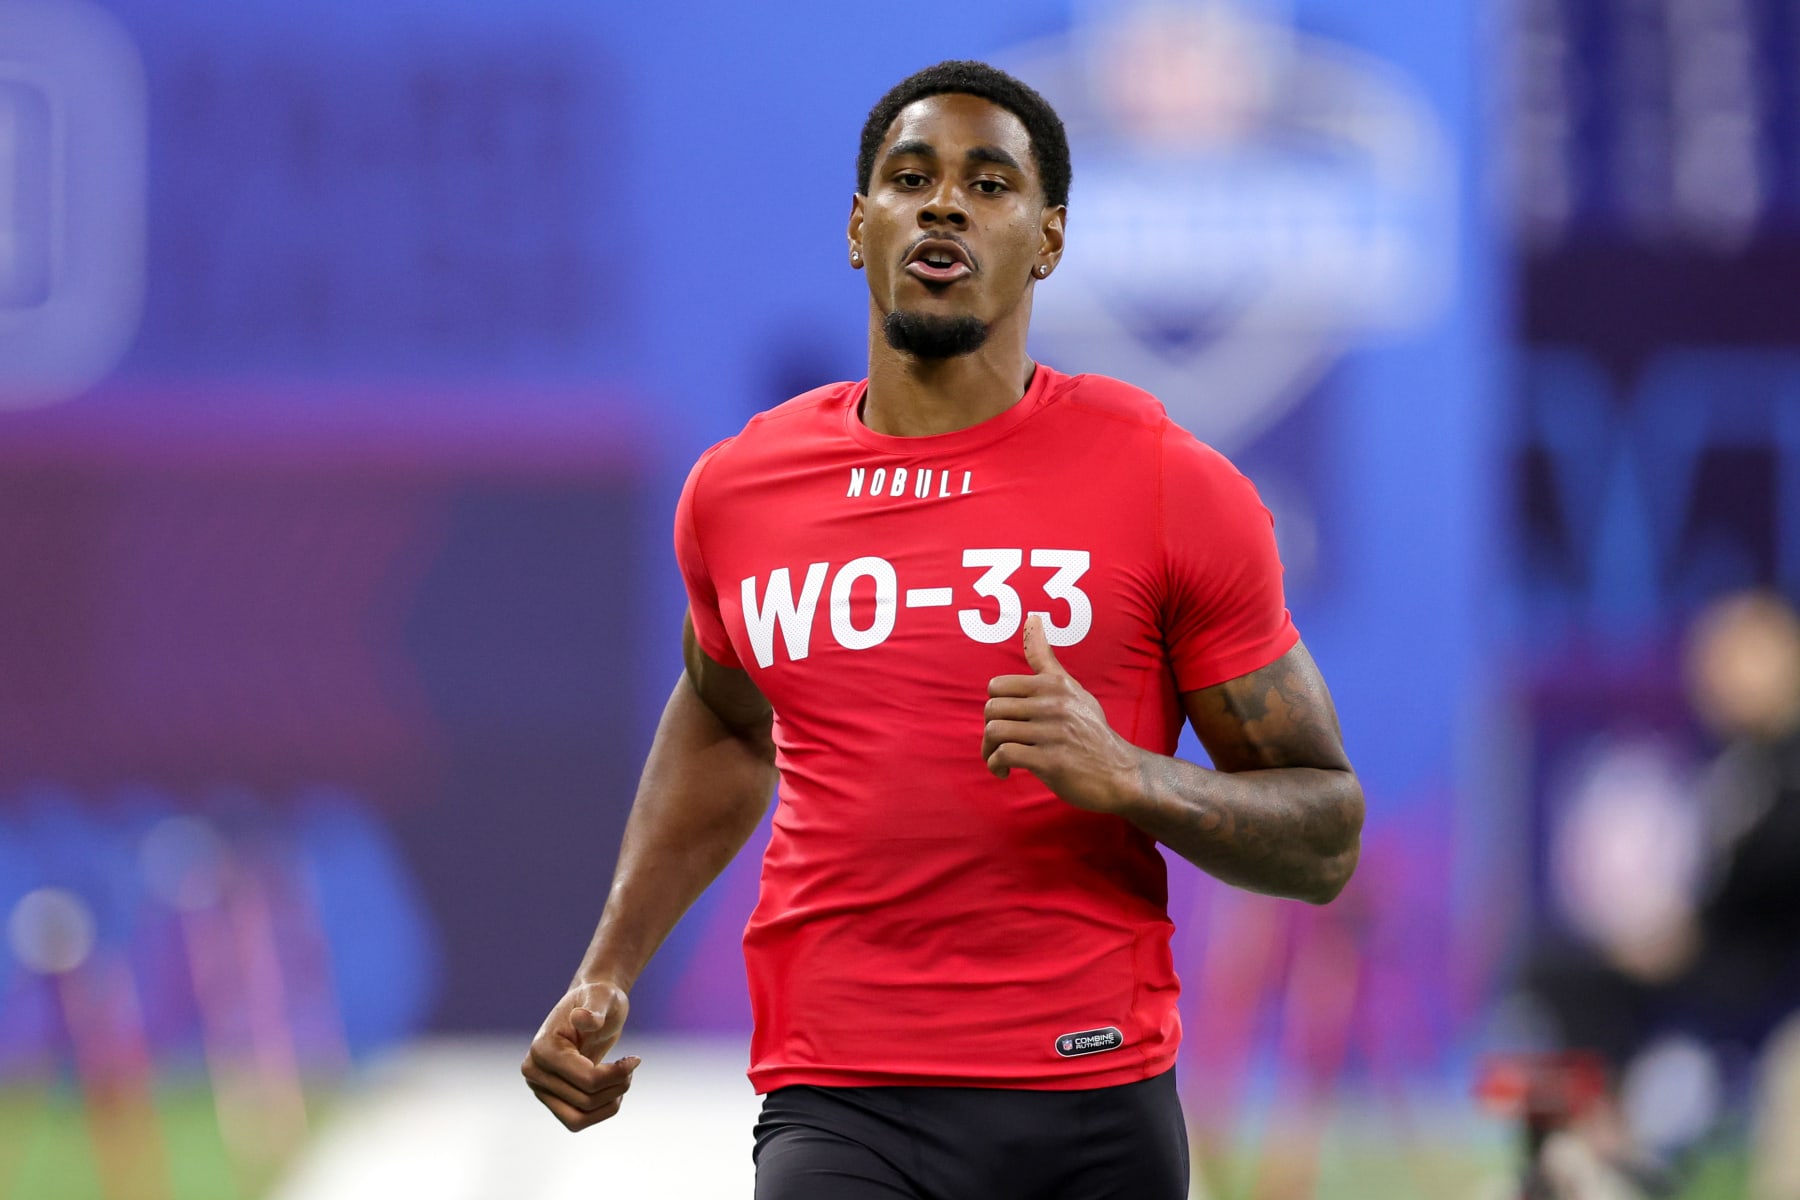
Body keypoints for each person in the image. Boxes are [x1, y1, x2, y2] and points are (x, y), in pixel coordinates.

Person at [522, 60, 1362, 1199]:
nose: (945, 205)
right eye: (910, 178)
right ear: (858, 227)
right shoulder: (740, 492)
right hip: (841, 1101)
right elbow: (724, 721)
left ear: (1048, 240)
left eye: (989, 183)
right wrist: (608, 967)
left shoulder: (1170, 485)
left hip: (1092, 1102)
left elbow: (1325, 834)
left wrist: (1128, 774)